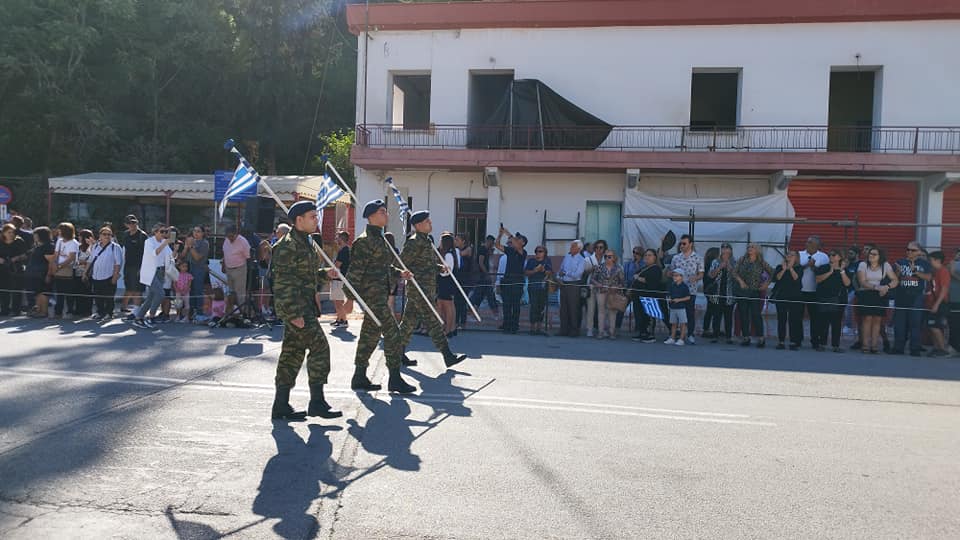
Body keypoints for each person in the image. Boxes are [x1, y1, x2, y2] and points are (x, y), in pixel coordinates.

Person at [267, 201, 343, 420]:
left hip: (305, 307)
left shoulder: (306, 242)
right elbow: (282, 283)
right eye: (312, 216)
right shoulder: (287, 245)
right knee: (320, 347)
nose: (315, 220)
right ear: (299, 220)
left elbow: (304, 275)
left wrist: (324, 274)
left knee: (292, 354)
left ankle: (280, 405)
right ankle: (317, 402)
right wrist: (293, 314)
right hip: (297, 310)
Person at [347, 199, 417, 394]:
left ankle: (359, 376)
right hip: (372, 298)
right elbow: (355, 272)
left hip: (380, 295)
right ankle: (394, 378)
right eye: (382, 212)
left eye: (385, 211)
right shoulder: (364, 241)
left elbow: (384, 267)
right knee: (394, 334)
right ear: (371, 216)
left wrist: (399, 273)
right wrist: (348, 299)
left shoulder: (381, 239)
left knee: (369, 337)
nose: (386, 214)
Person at [398, 211, 467, 368]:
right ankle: (448, 356)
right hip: (419, 291)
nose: (430, 223)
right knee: (434, 323)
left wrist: (440, 268)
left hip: (427, 289)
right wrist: (405, 274)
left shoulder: (427, 241)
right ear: (418, 225)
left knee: (407, 324)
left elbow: (427, 265)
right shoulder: (414, 242)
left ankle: (397, 353)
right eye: (427, 221)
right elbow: (402, 263)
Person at [892, 241, 932, 356]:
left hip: (916, 297)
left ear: (919, 252)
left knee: (915, 324)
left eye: (912, 250)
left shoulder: (924, 263)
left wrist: (916, 272)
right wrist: (898, 272)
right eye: (907, 249)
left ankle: (914, 349)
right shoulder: (900, 262)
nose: (909, 252)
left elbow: (928, 277)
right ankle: (898, 348)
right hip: (901, 296)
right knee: (899, 324)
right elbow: (893, 278)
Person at [855, 247, 897, 355]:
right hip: (866, 293)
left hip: (880, 294)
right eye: (870, 253)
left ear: (880, 256)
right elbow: (862, 281)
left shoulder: (885, 265)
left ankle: (874, 346)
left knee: (877, 320)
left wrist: (887, 287)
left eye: (874, 254)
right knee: (867, 319)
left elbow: (895, 280)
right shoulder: (863, 265)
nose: (871, 255)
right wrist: (877, 287)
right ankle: (865, 346)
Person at [131, 223, 173, 329]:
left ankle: (138, 318)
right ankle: (151, 316)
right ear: (155, 232)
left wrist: (175, 249)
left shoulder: (164, 242)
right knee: (160, 293)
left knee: (150, 297)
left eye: (165, 232)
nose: (164, 234)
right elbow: (155, 253)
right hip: (150, 272)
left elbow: (170, 256)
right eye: (162, 231)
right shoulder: (149, 242)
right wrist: (165, 243)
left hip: (160, 271)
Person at [733, 243, 773, 347]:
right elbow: (734, 272)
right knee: (743, 314)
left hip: (755, 291)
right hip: (742, 291)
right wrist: (740, 281)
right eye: (748, 247)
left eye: (752, 247)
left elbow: (773, 272)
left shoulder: (761, 262)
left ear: (757, 250)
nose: (749, 249)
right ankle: (746, 337)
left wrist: (766, 284)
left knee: (756, 315)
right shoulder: (742, 260)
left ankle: (761, 337)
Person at [668, 234, 704, 344]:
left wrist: (696, 277)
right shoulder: (676, 257)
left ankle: (690, 334)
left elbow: (701, 274)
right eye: (681, 243)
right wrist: (671, 274)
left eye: (684, 243)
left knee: (689, 312)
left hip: (690, 289)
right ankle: (675, 335)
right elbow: (671, 272)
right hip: (677, 289)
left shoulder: (698, 258)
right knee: (675, 312)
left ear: (691, 244)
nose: (682, 245)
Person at [814, 250, 852, 352]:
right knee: (823, 322)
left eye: (833, 255)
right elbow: (818, 279)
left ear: (839, 257)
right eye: (829, 255)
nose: (831, 257)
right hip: (823, 297)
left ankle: (836, 345)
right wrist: (830, 272)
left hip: (838, 299)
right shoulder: (824, 267)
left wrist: (842, 270)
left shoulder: (844, 269)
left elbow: (848, 283)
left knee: (837, 323)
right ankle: (822, 343)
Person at [495, 225, 528, 334]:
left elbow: (517, 246)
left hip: (517, 282)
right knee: (506, 305)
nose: (517, 240)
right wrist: (500, 234)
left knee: (515, 305)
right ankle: (506, 324)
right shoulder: (510, 251)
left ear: (523, 243)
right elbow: (497, 245)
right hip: (507, 281)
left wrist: (508, 233)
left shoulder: (523, 252)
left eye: (519, 239)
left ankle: (514, 326)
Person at [798, 236, 829, 349]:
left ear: (817, 245)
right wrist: (807, 265)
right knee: (797, 317)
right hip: (800, 290)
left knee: (815, 318)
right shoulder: (799, 254)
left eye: (810, 242)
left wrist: (813, 267)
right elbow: (796, 269)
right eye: (807, 241)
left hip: (815, 292)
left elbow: (824, 272)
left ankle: (815, 341)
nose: (807, 243)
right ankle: (797, 340)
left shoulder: (824, 257)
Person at [87, 226, 123, 321]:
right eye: (104, 234)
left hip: (109, 276)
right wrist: (85, 273)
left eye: (109, 234)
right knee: (98, 296)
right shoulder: (95, 246)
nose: (107, 236)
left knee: (109, 297)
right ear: (100, 236)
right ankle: (100, 312)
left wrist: (115, 277)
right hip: (96, 276)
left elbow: (118, 263)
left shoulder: (115, 247)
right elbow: (90, 260)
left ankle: (109, 313)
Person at [772, 251, 804, 350]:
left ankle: (793, 341)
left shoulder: (799, 268)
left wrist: (790, 269)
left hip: (795, 297)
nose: (789, 256)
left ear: (796, 258)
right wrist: (783, 269)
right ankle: (781, 341)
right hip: (781, 296)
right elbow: (777, 278)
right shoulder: (779, 267)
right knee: (781, 319)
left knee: (793, 320)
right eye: (788, 255)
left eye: (792, 255)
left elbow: (796, 279)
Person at [590, 248, 624, 339]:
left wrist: (617, 287)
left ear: (614, 258)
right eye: (605, 256)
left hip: (613, 292)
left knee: (612, 312)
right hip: (601, 291)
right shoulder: (599, 267)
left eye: (609, 256)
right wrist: (598, 284)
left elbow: (623, 282)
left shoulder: (618, 268)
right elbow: (592, 279)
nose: (607, 258)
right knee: (601, 311)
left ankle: (611, 332)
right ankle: (601, 332)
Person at [631, 249, 664, 343]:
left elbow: (652, 282)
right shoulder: (644, 268)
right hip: (638, 296)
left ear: (655, 257)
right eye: (645, 255)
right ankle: (641, 332)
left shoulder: (656, 269)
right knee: (639, 315)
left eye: (649, 255)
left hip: (649, 296)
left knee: (648, 316)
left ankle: (649, 334)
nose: (647, 257)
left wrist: (639, 278)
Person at [706, 243, 737, 344]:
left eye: (727, 250)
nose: (725, 253)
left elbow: (736, 277)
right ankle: (715, 335)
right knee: (716, 315)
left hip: (729, 293)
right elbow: (710, 275)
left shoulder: (735, 262)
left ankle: (728, 336)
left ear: (730, 251)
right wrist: (719, 267)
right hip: (717, 293)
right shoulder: (715, 261)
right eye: (723, 250)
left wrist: (728, 266)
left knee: (728, 316)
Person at [51, 222, 80, 319]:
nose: (58, 231)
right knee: (59, 292)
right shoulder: (59, 241)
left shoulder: (73, 243)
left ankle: (69, 311)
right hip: (59, 268)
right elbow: (56, 254)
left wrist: (60, 266)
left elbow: (71, 258)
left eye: (60, 229)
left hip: (68, 269)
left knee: (69, 293)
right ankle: (58, 312)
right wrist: (54, 264)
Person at [557, 240, 586, 337]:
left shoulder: (582, 260)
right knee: (563, 308)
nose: (570, 248)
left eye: (573, 246)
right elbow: (561, 269)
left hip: (574, 285)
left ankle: (574, 330)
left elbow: (577, 274)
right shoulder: (567, 257)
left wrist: (566, 273)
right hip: (564, 284)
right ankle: (563, 330)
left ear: (578, 248)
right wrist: (559, 278)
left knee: (573, 308)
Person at [926, 251, 951, 357]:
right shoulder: (935, 272)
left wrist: (936, 304)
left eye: (930, 260)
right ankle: (936, 348)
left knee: (934, 326)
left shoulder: (943, 271)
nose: (929, 262)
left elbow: (944, 289)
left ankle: (942, 349)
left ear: (938, 260)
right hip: (933, 303)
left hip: (940, 303)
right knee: (932, 326)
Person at [0, 223, 29, 316]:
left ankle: (16, 310)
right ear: (4, 233)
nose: (11, 234)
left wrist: (16, 258)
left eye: (12, 232)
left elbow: (25, 255)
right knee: (4, 289)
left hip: (16, 268)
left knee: (16, 289)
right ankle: (4, 309)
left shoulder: (19, 241)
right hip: (2, 269)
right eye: (9, 232)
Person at [25, 227, 55, 318]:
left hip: (43, 273)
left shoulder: (48, 246)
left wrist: (49, 275)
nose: (34, 236)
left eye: (36, 235)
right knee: (37, 292)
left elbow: (51, 261)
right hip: (34, 273)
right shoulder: (37, 246)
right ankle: (38, 310)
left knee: (43, 292)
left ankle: (44, 311)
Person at [222, 224, 251, 316]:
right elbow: (225, 252)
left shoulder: (243, 242)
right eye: (228, 236)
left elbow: (248, 256)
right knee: (230, 292)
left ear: (236, 233)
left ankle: (241, 313)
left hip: (239, 269)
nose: (229, 238)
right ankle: (231, 312)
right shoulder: (226, 240)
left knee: (240, 293)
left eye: (231, 236)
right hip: (228, 268)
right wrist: (223, 264)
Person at [121, 215, 148, 312]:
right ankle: (123, 307)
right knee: (128, 287)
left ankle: (137, 311)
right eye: (130, 223)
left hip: (139, 266)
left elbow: (146, 253)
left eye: (134, 222)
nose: (132, 225)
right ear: (126, 224)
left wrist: (142, 268)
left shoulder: (143, 236)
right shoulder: (125, 234)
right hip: (128, 265)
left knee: (137, 289)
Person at [469, 235, 499, 320]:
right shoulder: (482, 250)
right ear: (489, 241)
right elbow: (481, 262)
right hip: (482, 276)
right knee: (486, 294)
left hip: (483, 276)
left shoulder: (486, 250)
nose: (492, 245)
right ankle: (495, 313)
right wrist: (487, 274)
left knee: (480, 295)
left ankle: (472, 313)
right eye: (492, 243)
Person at [525, 245, 553, 336]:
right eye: (537, 251)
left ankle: (539, 328)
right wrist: (535, 270)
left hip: (543, 287)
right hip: (533, 287)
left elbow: (550, 272)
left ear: (544, 253)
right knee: (533, 306)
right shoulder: (531, 261)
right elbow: (526, 272)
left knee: (541, 307)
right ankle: (532, 328)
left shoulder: (547, 261)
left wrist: (543, 270)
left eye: (540, 251)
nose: (538, 253)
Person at [184, 225, 210, 321]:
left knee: (198, 290)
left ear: (203, 233)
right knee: (190, 291)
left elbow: (197, 257)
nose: (195, 233)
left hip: (199, 269)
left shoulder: (204, 243)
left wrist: (191, 246)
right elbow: (183, 255)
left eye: (198, 231)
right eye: (194, 231)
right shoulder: (191, 241)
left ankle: (199, 313)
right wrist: (186, 246)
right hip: (189, 268)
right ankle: (190, 312)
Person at [583, 239, 607, 337]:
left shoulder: (607, 259)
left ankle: (601, 329)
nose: (598, 249)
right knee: (590, 309)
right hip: (591, 285)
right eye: (596, 247)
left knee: (602, 309)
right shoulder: (588, 259)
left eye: (601, 247)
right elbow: (583, 273)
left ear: (604, 249)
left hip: (602, 286)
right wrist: (591, 269)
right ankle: (589, 329)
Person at [436, 233, 458, 337]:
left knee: (448, 306)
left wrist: (438, 269)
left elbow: (447, 271)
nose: (439, 243)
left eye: (441, 241)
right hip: (442, 282)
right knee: (440, 305)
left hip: (446, 282)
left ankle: (449, 329)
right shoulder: (443, 254)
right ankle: (445, 328)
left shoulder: (448, 255)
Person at [331, 231, 354, 328]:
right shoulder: (348, 250)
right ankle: (339, 318)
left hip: (339, 278)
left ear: (342, 239)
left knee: (338, 301)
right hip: (343, 278)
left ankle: (343, 320)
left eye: (338, 238)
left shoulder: (343, 251)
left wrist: (330, 272)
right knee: (338, 300)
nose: (336, 240)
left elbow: (337, 265)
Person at [665, 270, 691, 346]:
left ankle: (681, 339)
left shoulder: (684, 286)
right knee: (673, 324)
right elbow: (669, 294)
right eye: (674, 275)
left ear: (681, 277)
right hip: (673, 307)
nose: (674, 277)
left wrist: (679, 300)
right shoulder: (672, 285)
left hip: (681, 307)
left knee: (683, 324)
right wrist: (669, 298)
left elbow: (688, 297)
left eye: (676, 275)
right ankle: (672, 338)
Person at [73, 229, 95, 318]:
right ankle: (79, 309)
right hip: (78, 271)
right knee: (78, 291)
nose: (79, 237)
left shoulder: (92, 247)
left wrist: (84, 262)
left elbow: (92, 259)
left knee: (87, 292)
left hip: (87, 272)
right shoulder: (78, 247)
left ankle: (87, 310)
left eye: (80, 236)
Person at [454, 232, 473, 330]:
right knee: (456, 302)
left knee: (462, 302)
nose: (455, 242)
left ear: (463, 241)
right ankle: (456, 322)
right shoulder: (456, 250)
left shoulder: (468, 249)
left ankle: (463, 322)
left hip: (465, 280)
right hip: (457, 279)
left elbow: (460, 254)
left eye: (457, 240)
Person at [700, 246, 720, 339]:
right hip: (712, 289)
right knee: (713, 309)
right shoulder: (712, 264)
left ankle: (706, 328)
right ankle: (708, 329)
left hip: (707, 289)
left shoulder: (705, 264)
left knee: (710, 309)